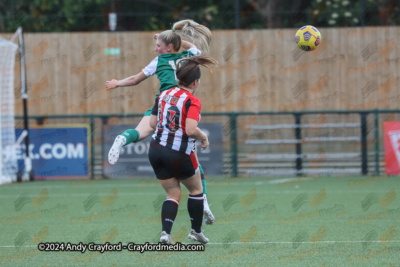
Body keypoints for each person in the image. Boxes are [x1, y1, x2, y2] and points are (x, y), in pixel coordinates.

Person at [105, 20, 215, 225]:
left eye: (158, 45)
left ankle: (123, 139)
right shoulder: (188, 56)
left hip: (163, 104)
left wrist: (117, 83)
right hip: (182, 108)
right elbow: (190, 46)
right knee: (193, 161)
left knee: (141, 132)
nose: (156, 48)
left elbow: (135, 79)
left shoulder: (159, 61)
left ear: (168, 47)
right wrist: (172, 35)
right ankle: (204, 203)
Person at [148, 56, 218, 244]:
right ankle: (195, 231)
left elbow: (152, 123)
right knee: (196, 190)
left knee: (172, 193)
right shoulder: (192, 100)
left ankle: (165, 234)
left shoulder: (162, 94)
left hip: (155, 150)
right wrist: (203, 137)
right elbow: (190, 130)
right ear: (195, 82)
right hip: (178, 152)